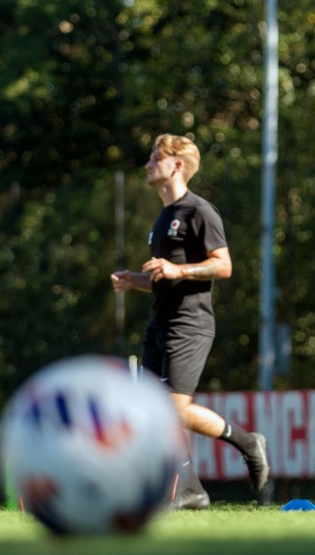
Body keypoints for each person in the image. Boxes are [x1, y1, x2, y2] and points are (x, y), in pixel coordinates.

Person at [111, 133, 269, 510]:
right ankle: (191, 490)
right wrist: (136, 279)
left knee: (172, 408)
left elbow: (223, 265)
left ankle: (247, 442)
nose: (148, 165)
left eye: (155, 158)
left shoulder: (199, 211)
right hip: (159, 323)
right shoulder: (163, 217)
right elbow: (166, 276)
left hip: (190, 324)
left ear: (176, 165)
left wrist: (177, 270)